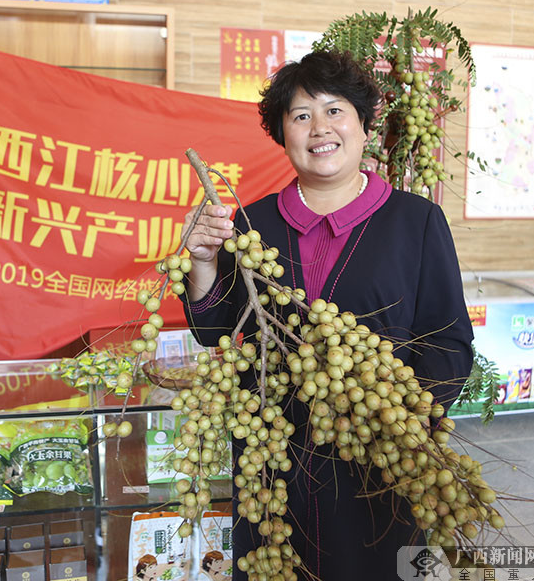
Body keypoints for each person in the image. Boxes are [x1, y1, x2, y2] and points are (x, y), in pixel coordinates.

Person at [181, 50, 474, 580]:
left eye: (335, 110)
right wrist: (202, 263)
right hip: (271, 459)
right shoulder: (252, 224)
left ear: (363, 126)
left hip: (377, 463)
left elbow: (449, 343)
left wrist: (394, 421)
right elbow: (214, 329)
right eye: (300, 116)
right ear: (283, 136)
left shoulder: (417, 222)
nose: (320, 128)